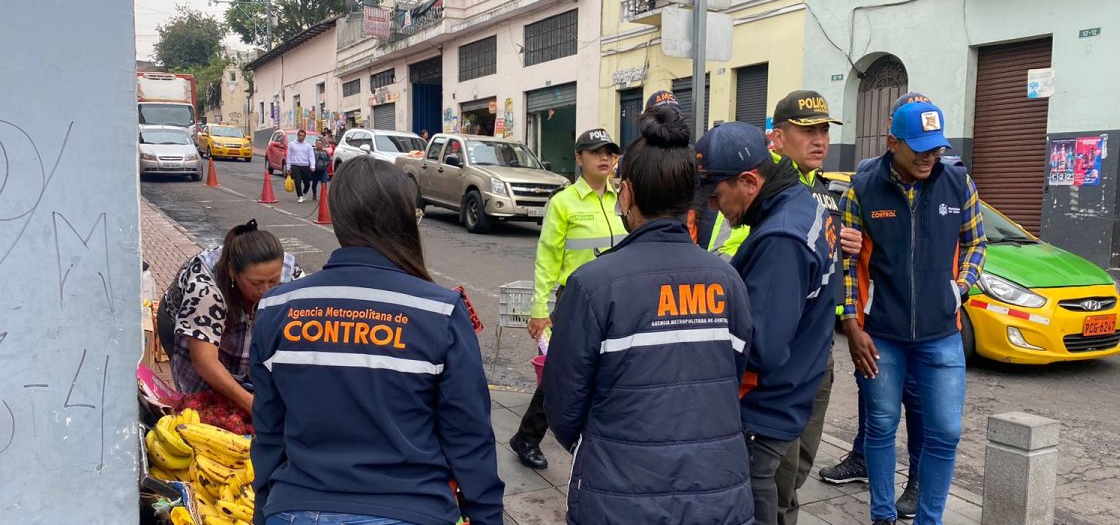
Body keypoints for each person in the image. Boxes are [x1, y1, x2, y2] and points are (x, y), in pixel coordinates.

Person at [250, 156, 504, 525]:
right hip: (410, 508)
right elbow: (469, 436)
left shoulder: (277, 306)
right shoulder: (439, 311)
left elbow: (269, 432)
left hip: (295, 508)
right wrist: (486, 516)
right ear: (405, 218)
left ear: (338, 218)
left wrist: (264, 509)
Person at [543, 106, 754, 524]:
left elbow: (563, 405)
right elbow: (733, 373)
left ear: (628, 193)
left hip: (618, 496)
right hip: (718, 494)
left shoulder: (591, 285)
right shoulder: (727, 281)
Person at [841, 101, 987, 525]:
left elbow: (977, 243)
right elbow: (849, 266)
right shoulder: (862, 190)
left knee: (946, 433)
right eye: (919, 148)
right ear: (893, 143)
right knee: (882, 428)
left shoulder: (958, 184)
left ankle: (930, 519)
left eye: (936, 147)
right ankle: (883, 515)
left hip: (941, 336)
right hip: (881, 335)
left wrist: (958, 288)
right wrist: (852, 324)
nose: (929, 157)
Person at [696, 122, 837, 525]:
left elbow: (762, 348)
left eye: (716, 195)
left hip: (763, 415)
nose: (714, 207)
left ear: (748, 181)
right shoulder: (802, 203)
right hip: (789, 400)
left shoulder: (780, 238)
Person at [820, 91, 933, 519]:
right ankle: (863, 457)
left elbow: (965, 239)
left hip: (925, 322)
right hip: (878, 314)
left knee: (921, 405)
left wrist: (958, 289)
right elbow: (852, 238)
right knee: (875, 395)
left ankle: (918, 483)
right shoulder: (869, 177)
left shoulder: (945, 175)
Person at [509, 128, 627, 470]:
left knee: (609, 370)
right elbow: (547, 258)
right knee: (562, 373)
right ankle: (526, 438)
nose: (604, 157)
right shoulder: (563, 203)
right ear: (579, 158)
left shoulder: (620, 199)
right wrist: (539, 310)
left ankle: (592, 437)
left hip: (614, 300)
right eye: (595, 152)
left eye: (610, 151)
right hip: (575, 301)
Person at [155, 220, 303, 413]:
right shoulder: (205, 289)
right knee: (207, 403)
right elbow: (204, 361)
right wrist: (253, 406)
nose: (266, 290)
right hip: (185, 323)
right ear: (233, 271)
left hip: (240, 319)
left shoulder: (291, 273)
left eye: (273, 281)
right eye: (256, 283)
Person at [286, 128, 316, 203]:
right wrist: (288, 167)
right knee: (297, 181)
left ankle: (305, 192)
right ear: (297, 135)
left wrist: (312, 165)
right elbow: (288, 156)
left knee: (307, 183)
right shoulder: (292, 144)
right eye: (300, 135)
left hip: (305, 166)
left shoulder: (308, 145)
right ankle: (300, 196)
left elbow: (311, 156)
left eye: (303, 136)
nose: (301, 137)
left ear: (305, 137)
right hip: (295, 165)